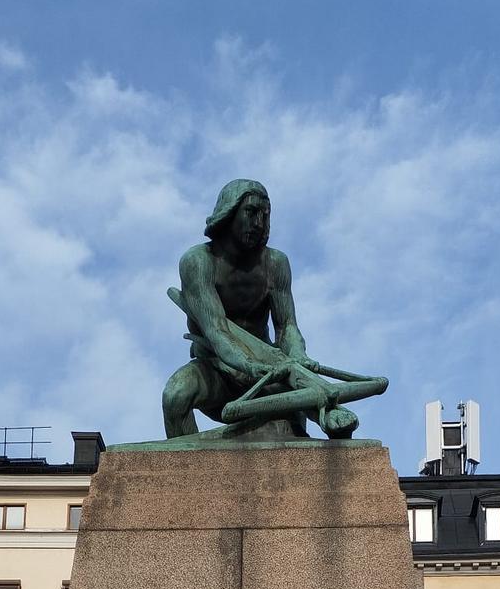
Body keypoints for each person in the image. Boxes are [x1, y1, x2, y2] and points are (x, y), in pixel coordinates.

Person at [162, 179, 384, 439]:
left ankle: (327, 414)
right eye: (251, 213)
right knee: (176, 395)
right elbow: (217, 330)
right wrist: (248, 364)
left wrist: (298, 355)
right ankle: (189, 473)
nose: (258, 223)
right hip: (218, 366)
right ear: (229, 212)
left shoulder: (276, 263)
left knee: (314, 421)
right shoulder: (198, 261)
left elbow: (287, 326)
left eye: (265, 216)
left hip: (271, 371)